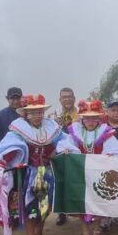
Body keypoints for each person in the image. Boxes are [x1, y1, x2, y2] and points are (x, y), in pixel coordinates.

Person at [0, 94, 65, 235]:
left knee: (45, 207)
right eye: (32, 112)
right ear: (26, 114)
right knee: (30, 210)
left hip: (47, 174)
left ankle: (39, 233)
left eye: (39, 112)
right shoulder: (17, 131)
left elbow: (63, 143)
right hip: (27, 175)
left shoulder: (52, 128)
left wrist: (61, 151)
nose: (36, 115)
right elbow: (9, 150)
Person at [56, 99, 118, 235]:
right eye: (87, 118)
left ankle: (97, 230)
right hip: (80, 173)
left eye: (93, 118)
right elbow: (65, 144)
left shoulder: (105, 132)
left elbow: (116, 150)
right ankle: (85, 231)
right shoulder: (75, 132)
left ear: (98, 119)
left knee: (98, 200)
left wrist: (109, 155)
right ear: (82, 119)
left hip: (99, 174)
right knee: (82, 202)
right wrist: (67, 149)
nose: (90, 121)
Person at [101, 100, 118, 231]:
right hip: (105, 164)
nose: (116, 112)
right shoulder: (101, 126)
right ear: (107, 111)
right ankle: (106, 217)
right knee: (106, 189)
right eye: (113, 110)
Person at [52, 87, 77, 226]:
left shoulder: (80, 115)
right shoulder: (54, 116)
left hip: (75, 153)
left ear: (74, 98)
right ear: (60, 100)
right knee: (60, 181)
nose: (67, 99)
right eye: (64, 97)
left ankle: (80, 211)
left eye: (69, 96)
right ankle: (61, 213)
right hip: (59, 154)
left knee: (76, 181)